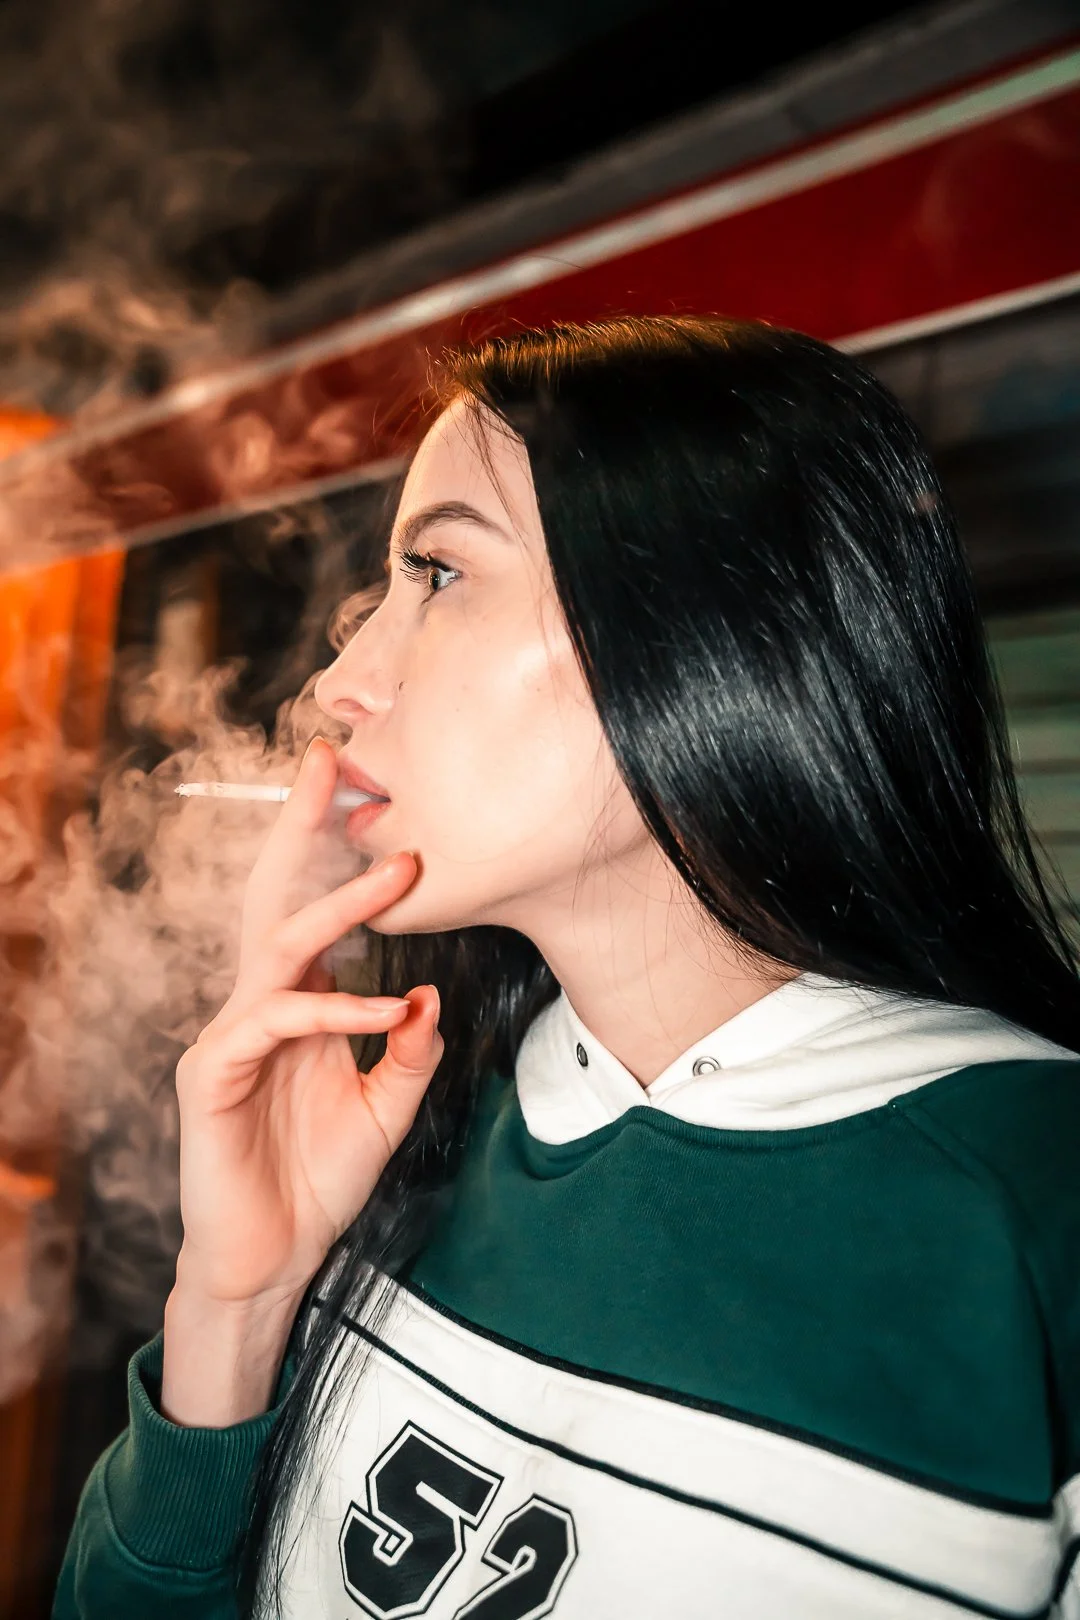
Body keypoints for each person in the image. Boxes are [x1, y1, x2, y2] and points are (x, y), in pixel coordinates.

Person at [54, 315, 1080, 1619]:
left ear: (708, 625)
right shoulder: (414, 1125)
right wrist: (236, 1304)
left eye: (436, 573)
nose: (339, 683)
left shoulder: (1041, 1206)